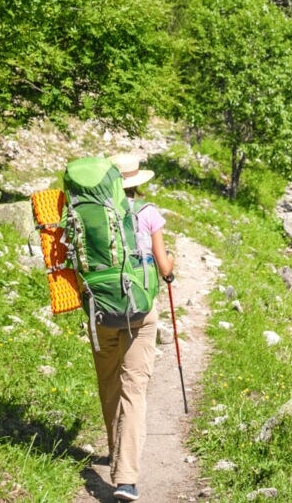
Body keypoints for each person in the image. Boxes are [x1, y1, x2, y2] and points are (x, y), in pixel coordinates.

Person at [89, 153, 174, 502]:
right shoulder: (148, 213)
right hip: (141, 313)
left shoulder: (92, 216)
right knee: (133, 389)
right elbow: (164, 267)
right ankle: (125, 478)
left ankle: (115, 450)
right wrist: (171, 265)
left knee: (109, 383)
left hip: (101, 311)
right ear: (137, 183)